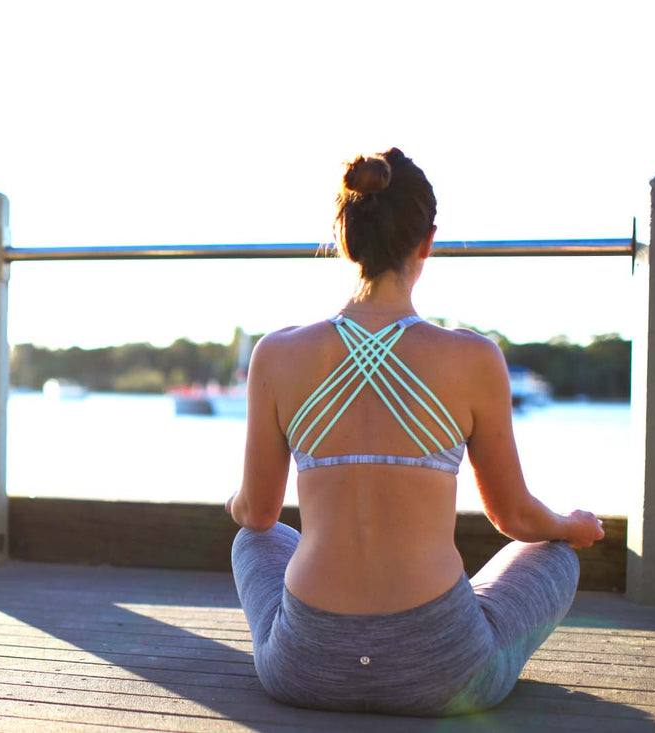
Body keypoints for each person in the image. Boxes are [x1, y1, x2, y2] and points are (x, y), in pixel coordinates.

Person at [224, 148, 605, 717]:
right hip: (446, 675)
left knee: (254, 538)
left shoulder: (276, 354)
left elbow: (257, 514)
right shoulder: (473, 356)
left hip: (304, 669)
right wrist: (570, 527)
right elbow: (515, 519)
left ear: (346, 237)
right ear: (426, 241)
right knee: (555, 555)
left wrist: (237, 500)